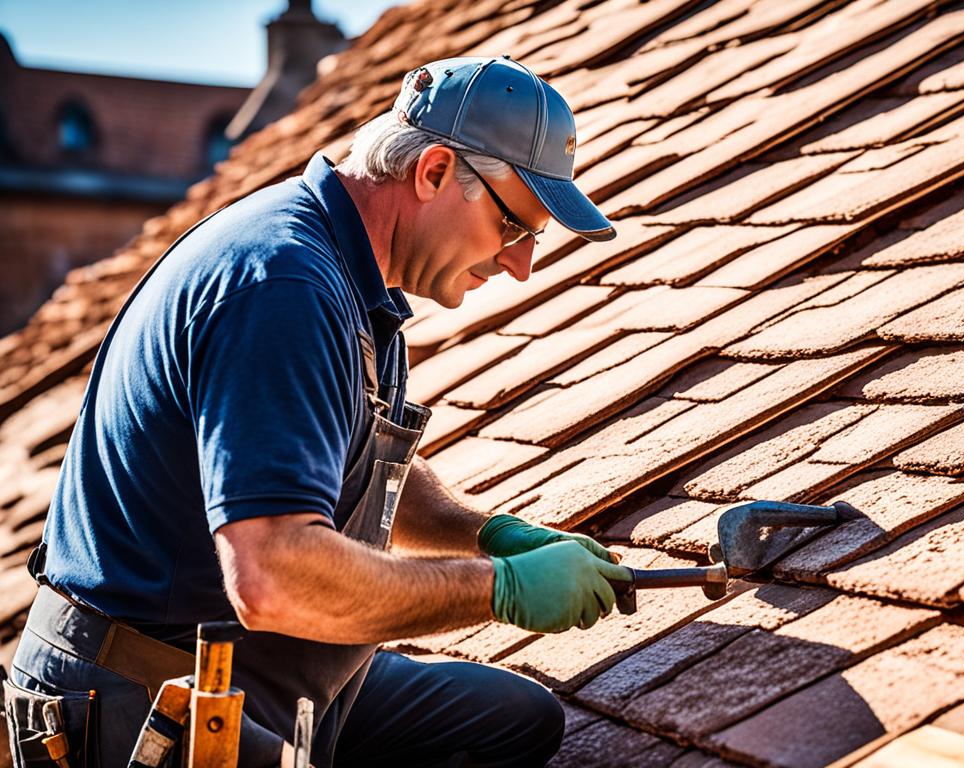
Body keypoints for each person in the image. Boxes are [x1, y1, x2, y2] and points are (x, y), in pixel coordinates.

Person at [3, 56, 629, 768]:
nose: (520, 266)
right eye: (514, 226)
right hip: (140, 696)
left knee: (509, 722)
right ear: (430, 172)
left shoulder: (358, 278)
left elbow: (354, 456)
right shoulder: (283, 286)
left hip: (257, 669)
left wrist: (490, 537)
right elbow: (272, 578)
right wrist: (501, 591)